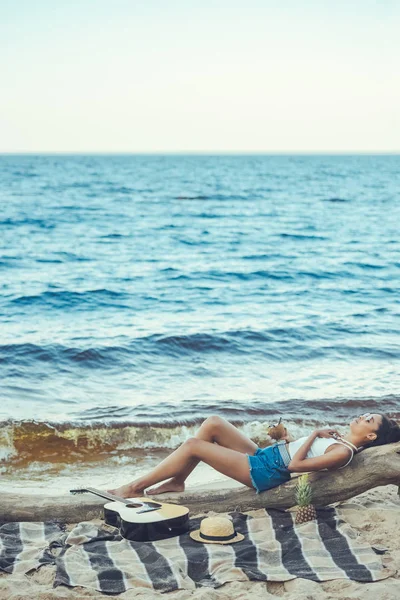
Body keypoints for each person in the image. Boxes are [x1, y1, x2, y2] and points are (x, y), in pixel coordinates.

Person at [107, 413, 400, 497]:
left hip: (265, 472)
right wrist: (287, 437)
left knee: (192, 446)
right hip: (268, 455)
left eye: (368, 420)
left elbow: (296, 466)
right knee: (213, 423)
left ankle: (135, 488)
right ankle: (177, 481)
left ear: (371, 436)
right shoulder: (339, 441)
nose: (362, 417)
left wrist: (313, 434)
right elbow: (294, 451)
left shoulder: (341, 452)